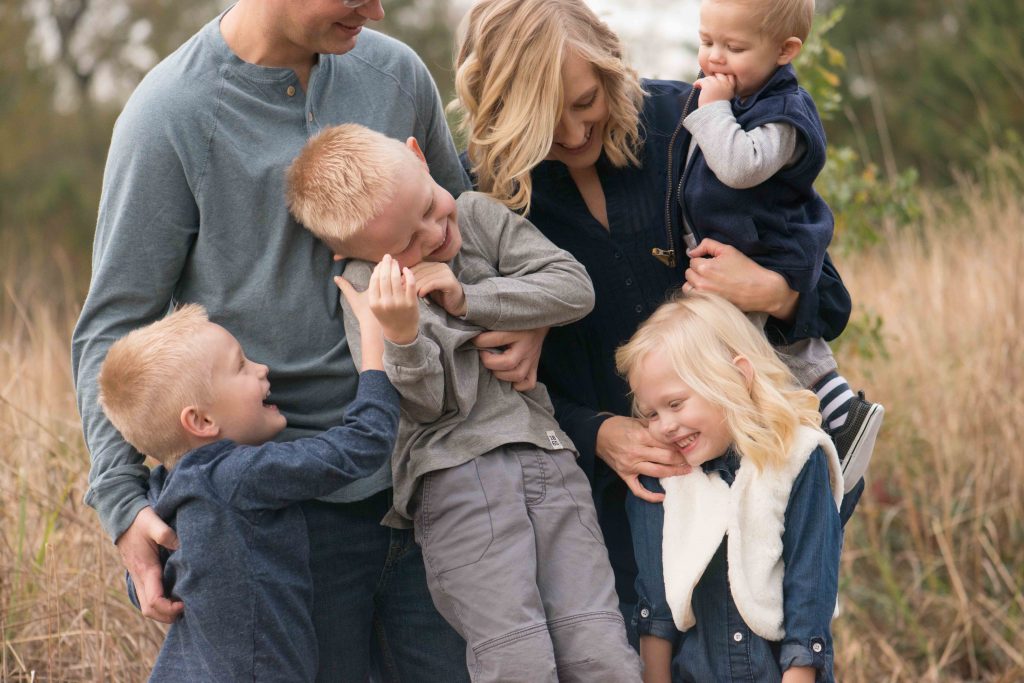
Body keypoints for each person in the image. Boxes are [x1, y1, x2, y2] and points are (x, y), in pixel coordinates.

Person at [70, 0, 471, 679]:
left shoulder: (397, 75)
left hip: (434, 483)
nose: (375, 11)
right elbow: (113, 323)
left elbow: (467, 232)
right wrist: (123, 503)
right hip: (278, 521)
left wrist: (515, 319)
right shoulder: (169, 112)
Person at [452, 0, 856, 667]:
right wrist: (599, 432)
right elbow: (487, 374)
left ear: (609, 66)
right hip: (610, 502)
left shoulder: (695, 121)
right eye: (544, 124)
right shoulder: (489, 194)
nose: (575, 132)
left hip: (754, 488)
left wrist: (772, 290)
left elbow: (827, 295)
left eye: (585, 102)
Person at [285, 123, 641, 682]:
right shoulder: (370, 294)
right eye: (404, 241)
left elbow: (574, 287)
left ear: (419, 157)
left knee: (600, 649)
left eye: (429, 207)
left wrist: (469, 297)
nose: (432, 235)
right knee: (517, 657)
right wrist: (402, 337)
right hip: (459, 480)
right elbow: (428, 409)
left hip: (548, 456)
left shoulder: (476, 214)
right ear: (347, 252)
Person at [98, 302, 399, 681]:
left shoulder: (162, 494)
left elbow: (149, 586)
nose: (263, 369)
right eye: (241, 366)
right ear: (201, 420)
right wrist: (376, 353)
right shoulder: (238, 476)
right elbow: (363, 445)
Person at [679, 0, 883, 487]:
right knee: (756, 345)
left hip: (773, 244)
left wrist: (711, 111)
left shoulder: (784, 113)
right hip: (744, 244)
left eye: (735, 47)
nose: (715, 58)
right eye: (708, 42)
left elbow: (740, 165)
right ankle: (812, 422)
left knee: (778, 340)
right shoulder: (736, 99)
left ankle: (839, 410)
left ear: (785, 50)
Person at [615, 291, 842, 683]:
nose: (664, 425)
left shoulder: (798, 458)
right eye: (651, 413)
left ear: (737, 376)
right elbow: (657, 609)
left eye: (676, 403)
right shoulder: (661, 476)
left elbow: (810, 601)